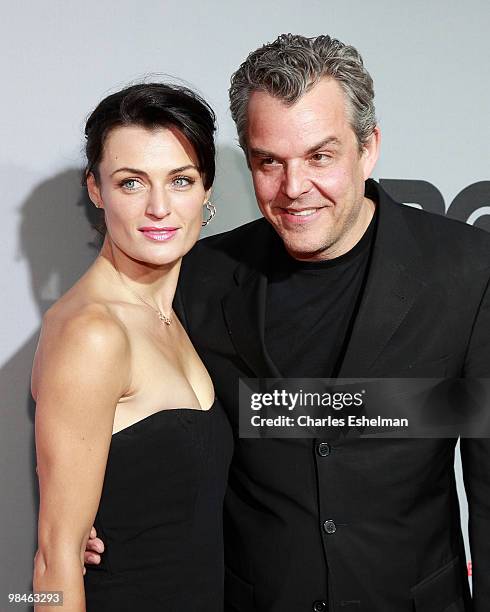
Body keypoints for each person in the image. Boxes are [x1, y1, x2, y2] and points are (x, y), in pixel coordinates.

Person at [85, 35, 490, 611]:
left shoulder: (466, 271)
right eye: (268, 161)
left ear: (368, 147)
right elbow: (154, 427)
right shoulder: (197, 278)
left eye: (320, 156)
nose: (294, 188)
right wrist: (90, 515)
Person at [32, 82, 233, 611]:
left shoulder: (182, 313)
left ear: (207, 190)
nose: (159, 208)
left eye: (181, 180)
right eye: (131, 183)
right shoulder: (91, 333)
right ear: (96, 190)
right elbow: (56, 561)